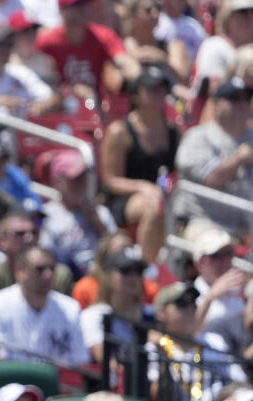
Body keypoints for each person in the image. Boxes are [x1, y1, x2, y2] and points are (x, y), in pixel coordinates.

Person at [100, 65, 177, 262]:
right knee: (154, 206)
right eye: (151, 89)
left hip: (163, 194)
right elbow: (110, 180)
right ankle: (147, 266)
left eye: (161, 88)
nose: (158, 93)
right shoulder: (120, 131)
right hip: (124, 199)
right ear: (135, 95)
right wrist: (143, 187)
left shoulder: (174, 131)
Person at [0, 246, 89, 365]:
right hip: (10, 379)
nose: (48, 275)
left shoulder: (70, 308)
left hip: (57, 381)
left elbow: (80, 361)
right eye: (39, 269)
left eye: (52, 268)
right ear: (19, 271)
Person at [174, 76, 253, 235]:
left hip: (246, 225)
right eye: (234, 99)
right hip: (205, 222)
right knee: (218, 246)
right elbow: (211, 178)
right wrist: (239, 159)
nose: (242, 104)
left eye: (246, 98)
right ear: (215, 105)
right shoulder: (197, 137)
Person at [35, 0, 140, 101]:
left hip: (99, 105)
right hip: (62, 107)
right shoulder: (47, 41)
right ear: (62, 10)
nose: (83, 10)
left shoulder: (103, 35)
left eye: (84, 4)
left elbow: (122, 59)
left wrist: (137, 73)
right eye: (77, 5)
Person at [41, 149, 117, 277]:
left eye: (83, 178)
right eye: (74, 179)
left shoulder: (101, 213)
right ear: (57, 183)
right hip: (64, 278)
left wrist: (97, 223)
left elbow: (116, 251)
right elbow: (45, 255)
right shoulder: (47, 215)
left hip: (99, 276)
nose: (80, 184)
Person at [79, 246, 151, 363]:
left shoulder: (152, 315)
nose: (133, 276)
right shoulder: (95, 316)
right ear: (108, 276)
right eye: (125, 270)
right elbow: (105, 361)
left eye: (139, 270)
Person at [189, 223, 250, 354]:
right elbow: (188, 334)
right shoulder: (188, 295)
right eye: (217, 256)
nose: (225, 261)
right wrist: (211, 296)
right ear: (200, 262)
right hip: (207, 364)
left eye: (228, 254)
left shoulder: (239, 293)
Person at [72, 230, 159, 309]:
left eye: (130, 249)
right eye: (121, 251)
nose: (128, 255)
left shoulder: (149, 289)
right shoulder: (84, 289)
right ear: (105, 261)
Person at [0, 212, 74, 294]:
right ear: (2, 241)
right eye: (20, 233)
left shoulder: (57, 275)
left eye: (35, 232)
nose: (30, 238)